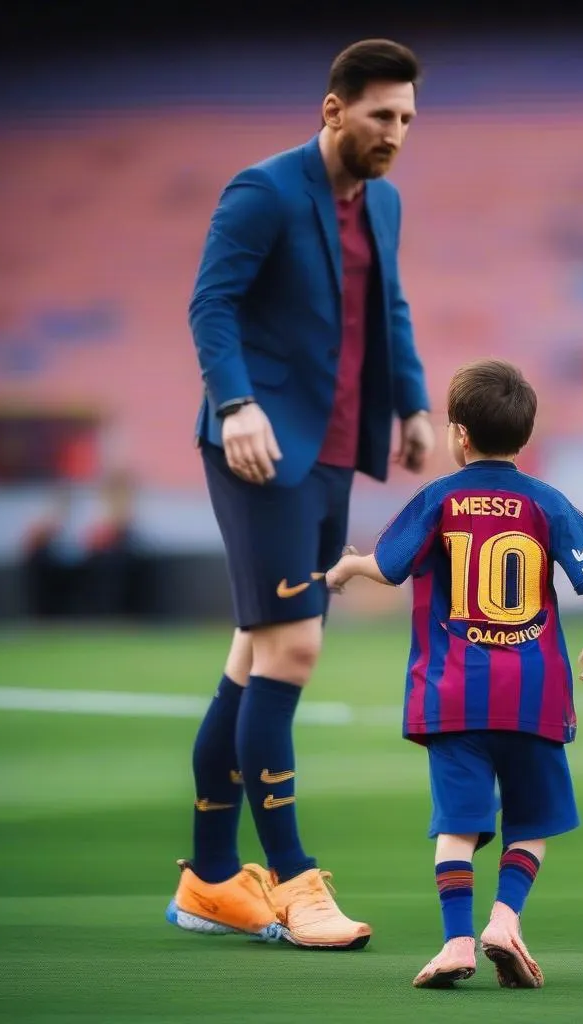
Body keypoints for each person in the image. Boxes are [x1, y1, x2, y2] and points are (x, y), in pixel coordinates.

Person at [165, 39, 435, 951]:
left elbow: (387, 307)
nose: (394, 133)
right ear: (333, 111)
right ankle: (293, 880)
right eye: (378, 116)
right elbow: (212, 305)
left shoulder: (384, 203)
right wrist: (234, 404)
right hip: (258, 452)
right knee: (294, 652)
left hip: (328, 457)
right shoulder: (264, 191)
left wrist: (413, 401)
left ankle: (207, 879)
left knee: (253, 655)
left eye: (405, 118)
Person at [325, 359, 583, 988]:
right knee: (534, 822)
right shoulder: (547, 500)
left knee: (457, 826)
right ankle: (505, 920)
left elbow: (390, 565)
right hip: (535, 694)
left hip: (454, 694)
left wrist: (349, 568)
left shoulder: (440, 497)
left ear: (458, 432)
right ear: (527, 433)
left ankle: (457, 942)